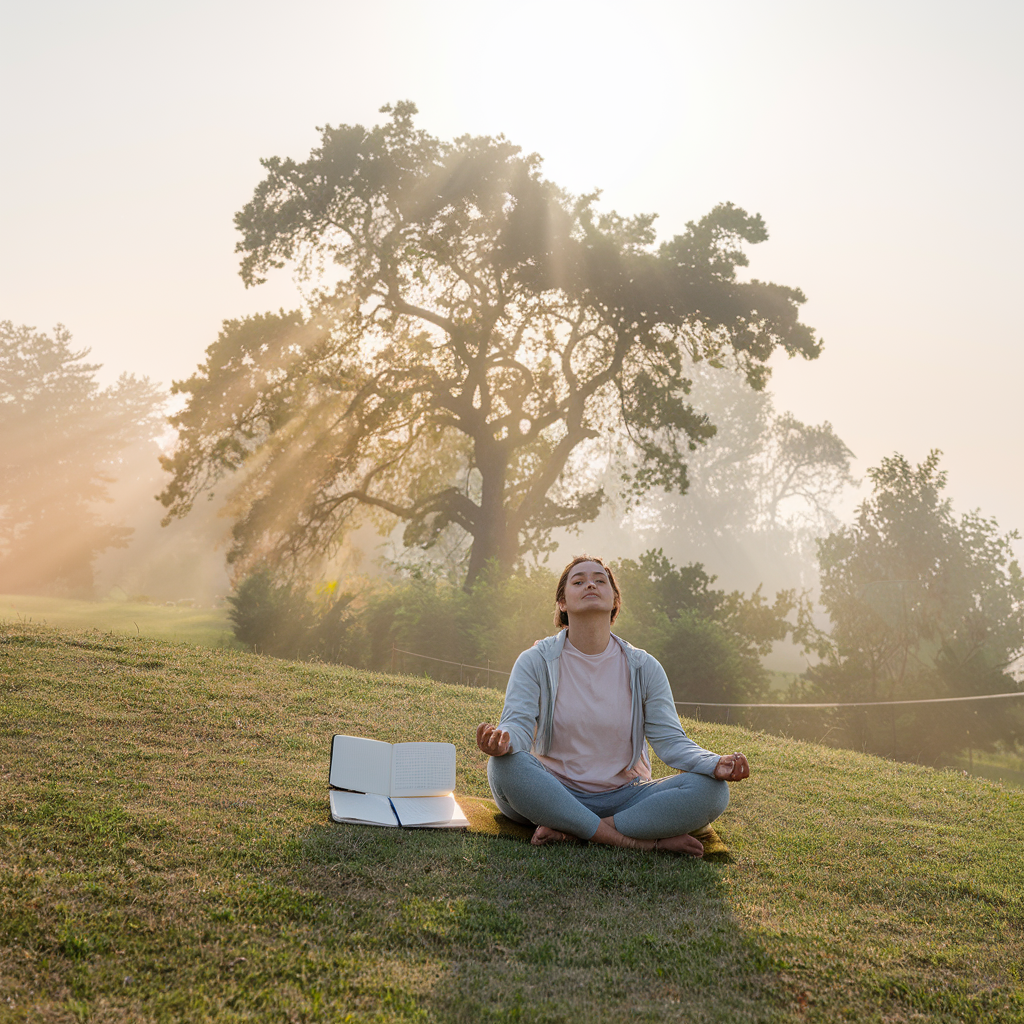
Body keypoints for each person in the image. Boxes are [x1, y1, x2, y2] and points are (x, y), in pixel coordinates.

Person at [477, 554, 750, 856]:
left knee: (711, 791)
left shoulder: (644, 667)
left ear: (615, 600)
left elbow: (671, 741)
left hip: (626, 797)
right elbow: (517, 722)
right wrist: (503, 742)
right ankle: (633, 841)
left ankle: (573, 829)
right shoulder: (535, 661)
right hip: (553, 792)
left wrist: (713, 763)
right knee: (506, 766)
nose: (590, 584)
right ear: (562, 603)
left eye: (599, 580)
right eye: (578, 581)